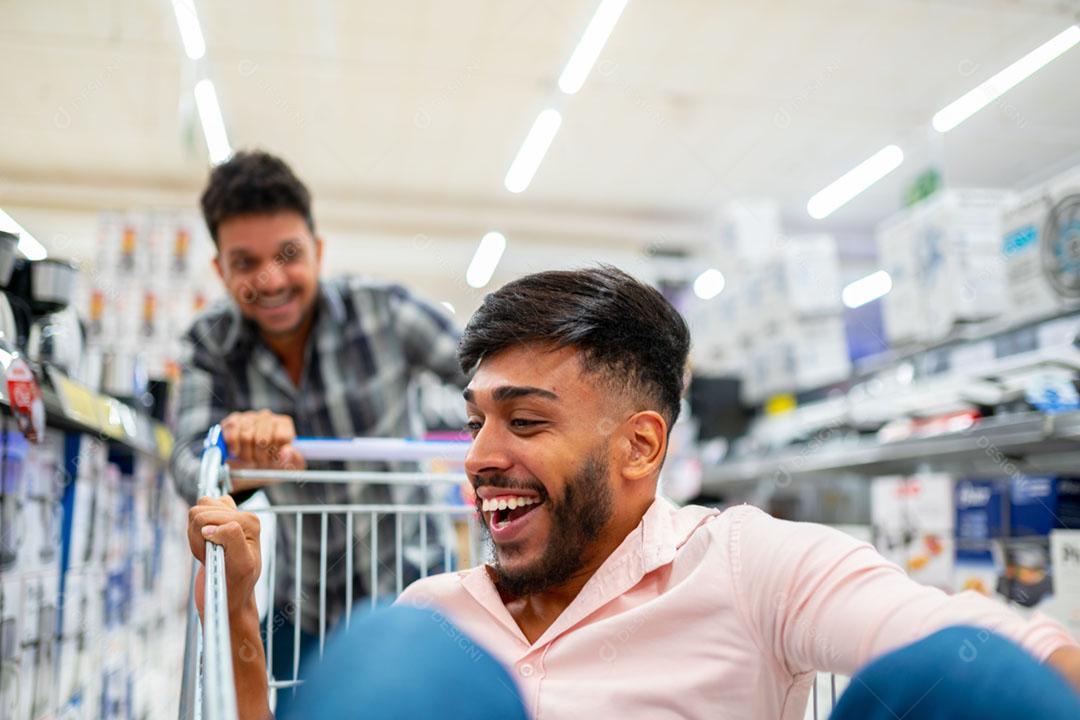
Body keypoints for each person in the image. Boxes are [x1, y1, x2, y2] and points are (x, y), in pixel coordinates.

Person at [188, 266, 1080, 719]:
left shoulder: (746, 564)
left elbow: (1020, 657)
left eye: (525, 423)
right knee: (397, 653)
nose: (479, 458)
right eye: (476, 424)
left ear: (640, 444)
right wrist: (240, 596)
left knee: (970, 680)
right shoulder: (435, 617)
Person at [171, 150, 466, 714]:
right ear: (221, 271)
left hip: (414, 591)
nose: (271, 279)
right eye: (245, 262)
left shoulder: (383, 313)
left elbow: (485, 376)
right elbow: (188, 465)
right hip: (303, 605)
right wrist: (237, 459)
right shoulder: (210, 347)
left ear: (318, 249)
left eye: (289, 254)